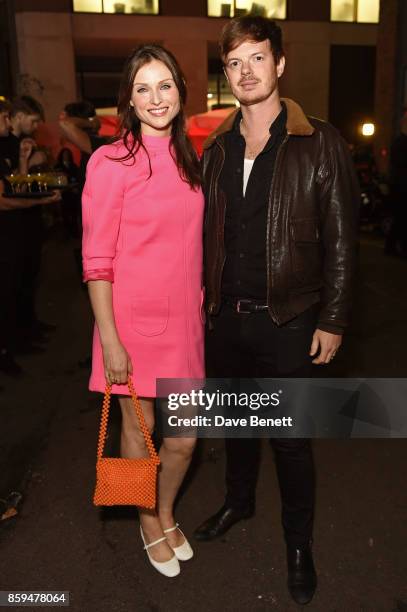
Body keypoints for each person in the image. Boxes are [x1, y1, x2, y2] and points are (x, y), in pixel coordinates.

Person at [194, 16, 359, 605]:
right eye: (235, 63)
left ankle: (298, 543)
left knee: (289, 439)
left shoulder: (320, 141)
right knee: (236, 426)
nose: (246, 72)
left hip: (289, 319)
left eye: (257, 59)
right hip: (226, 318)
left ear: (280, 64)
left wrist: (334, 317)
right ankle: (239, 502)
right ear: (227, 72)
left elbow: (342, 238)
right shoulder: (217, 147)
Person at [82, 44, 205, 578]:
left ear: (180, 91)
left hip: (187, 323)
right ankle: (147, 518)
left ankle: (166, 507)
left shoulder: (190, 157)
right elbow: (97, 260)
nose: (156, 98)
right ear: (128, 100)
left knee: (187, 434)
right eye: (143, 88)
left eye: (165, 86)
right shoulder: (110, 160)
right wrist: (109, 338)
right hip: (130, 322)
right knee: (142, 429)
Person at [0, 99, 60, 378]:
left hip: (18, 228)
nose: (36, 128)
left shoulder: (16, 145)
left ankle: (23, 335)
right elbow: (5, 199)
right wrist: (40, 201)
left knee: (23, 282)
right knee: (9, 291)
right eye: (33, 121)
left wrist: (24, 161)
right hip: (8, 230)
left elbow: (17, 186)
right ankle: (9, 348)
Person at [385, 109, 407, 256]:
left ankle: (393, 247)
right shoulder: (400, 143)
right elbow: (400, 163)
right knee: (401, 218)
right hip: (401, 187)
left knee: (401, 218)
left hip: (400, 185)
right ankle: (397, 247)